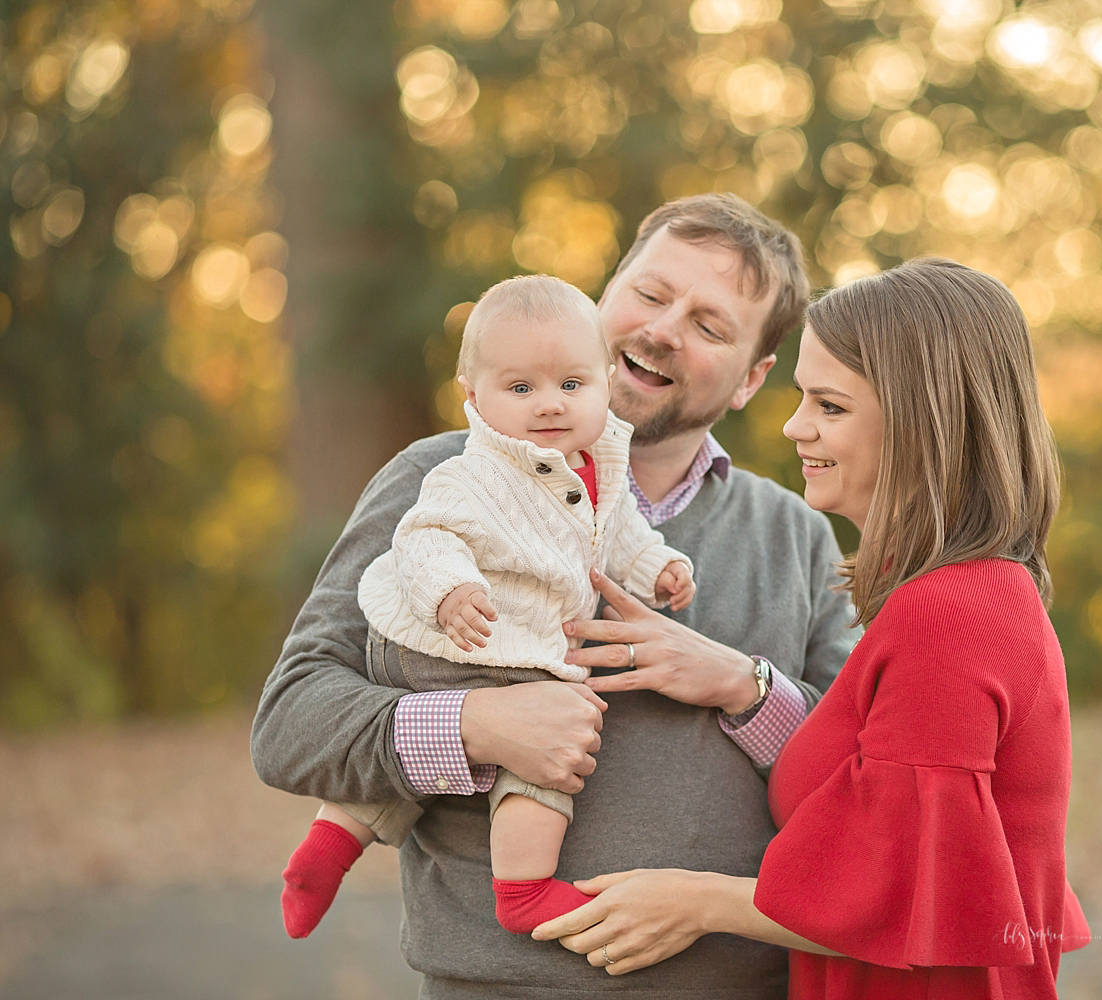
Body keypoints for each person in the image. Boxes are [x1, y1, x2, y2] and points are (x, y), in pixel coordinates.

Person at [250, 193, 858, 998]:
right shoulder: (442, 479)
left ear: (749, 380)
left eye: (710, 325)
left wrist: (743, 687)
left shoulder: (797, 534)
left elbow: (863, 781)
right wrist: (479, 725)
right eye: (648, 294)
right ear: (604, 300)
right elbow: (291, 722)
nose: (664, 328)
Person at [533, 258, 1092, 999]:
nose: (797, 427)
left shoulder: (953, 613)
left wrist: (697, 901)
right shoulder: (948, 598)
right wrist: (742, 686)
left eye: (829, 405)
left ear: (923, 421)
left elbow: (905, 889)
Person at [279, 275, 697, 940]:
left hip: (497, 647)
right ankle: (524, 891)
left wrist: (663, 569)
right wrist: (449, 592)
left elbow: (622, 540)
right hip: (455, 639)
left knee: (422, 768)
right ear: (474, 398)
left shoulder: (598, 470)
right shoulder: (470, 471)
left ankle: (326, 849)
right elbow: (426, 536)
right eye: (521, 388)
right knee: (543, 767)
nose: (550, 405)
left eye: (571, 385)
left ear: (604, 383)